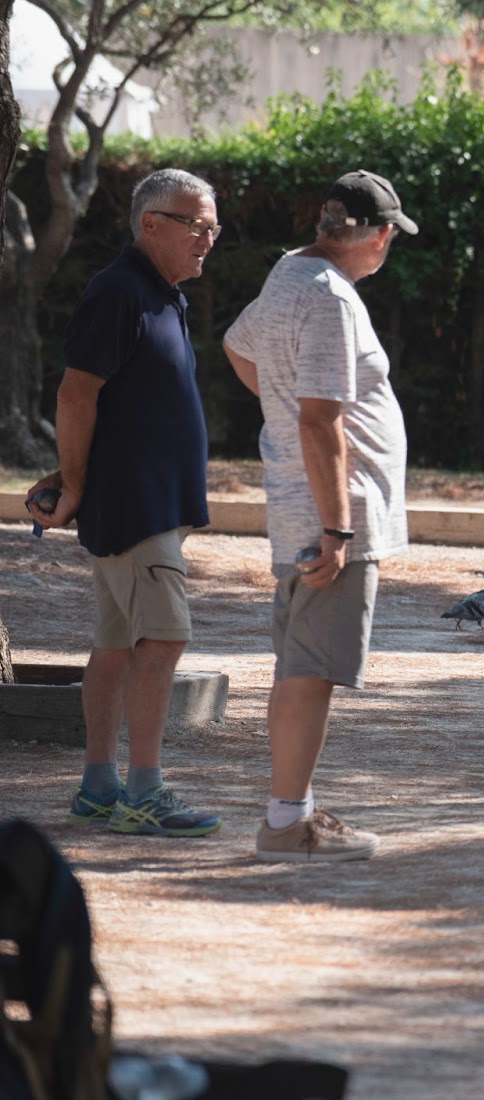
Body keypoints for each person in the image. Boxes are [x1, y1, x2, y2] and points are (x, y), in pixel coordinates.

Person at [222, 170, 416, 863]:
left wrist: (279, 403)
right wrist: (338, 530)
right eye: (391, 235)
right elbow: (320, 419)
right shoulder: (331, 298)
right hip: (330, 512)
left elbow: (237, 344)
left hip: (298, 502)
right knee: (310, 672)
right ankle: (285, 825)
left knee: (298, 665)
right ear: (379, 236)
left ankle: (292, 811)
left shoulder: (288, 273)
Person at [26, 168, 222, 837]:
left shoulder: (163, 295)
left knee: (115, 648)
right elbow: (76, 394)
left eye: (214, 227)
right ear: (151, 223)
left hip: (147, 505)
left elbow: (120, 404)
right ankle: (144, 792)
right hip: (137, 510)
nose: (208, 239)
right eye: (196, 225)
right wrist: (75, 483)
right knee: (163, 640)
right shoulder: (119, 290)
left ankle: (99, 786)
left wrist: (69, 472)